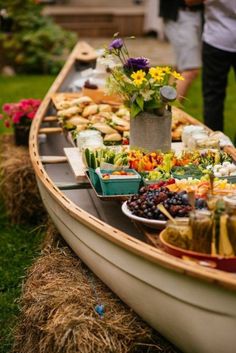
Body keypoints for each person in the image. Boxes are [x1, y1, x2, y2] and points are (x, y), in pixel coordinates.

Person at [190, 0, 236, 132]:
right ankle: (215, 146)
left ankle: (214, 146)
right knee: (213, 100)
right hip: (216, 40)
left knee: (212, 99)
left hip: (216, 38)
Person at [159, 0, 203, 101]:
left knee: (179, 70)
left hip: (188, 14)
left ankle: (162, 111)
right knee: (190, 70)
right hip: (181, 15)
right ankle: (169, 114)